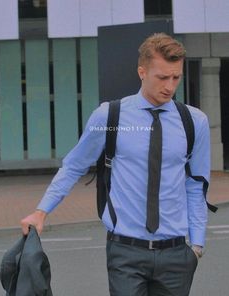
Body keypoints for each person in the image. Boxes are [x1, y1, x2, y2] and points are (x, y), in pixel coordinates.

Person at [21, 33, 210, 296]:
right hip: (126, 253)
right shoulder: (110, 116)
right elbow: (74, 165)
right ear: (142, 72)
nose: (170, 86)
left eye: (176, 77)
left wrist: (197, 246)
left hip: (176, 255)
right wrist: (42, 211)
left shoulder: (194, 122)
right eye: (162, 77)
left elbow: (196, 185)